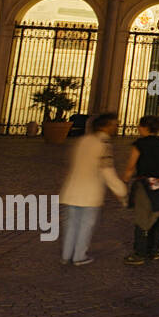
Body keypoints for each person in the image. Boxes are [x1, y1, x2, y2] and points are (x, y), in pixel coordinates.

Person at [60, 112, 127, 265]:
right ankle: (79, 256)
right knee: (85, 225)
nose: (116, 127)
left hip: (71, 190)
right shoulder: (104, 144)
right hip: (89, 193)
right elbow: (107, 170)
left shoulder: (83, 140)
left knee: (71, 224)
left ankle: (66, 254)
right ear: (106, 126)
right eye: (114, 124)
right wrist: (121, 191)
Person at [122, 115, 159, 265]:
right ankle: (155, 250)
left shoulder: (140, 144)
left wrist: (124, 182)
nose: (138, 128)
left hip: (146, 185)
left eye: (140, 125)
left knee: (143, 218)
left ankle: (140, 253)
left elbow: (130, 166)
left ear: (145, 127)